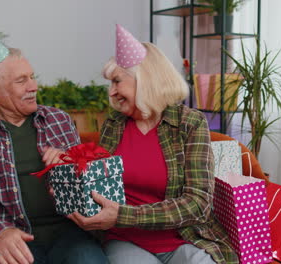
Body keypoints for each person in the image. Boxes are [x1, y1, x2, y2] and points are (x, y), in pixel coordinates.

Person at [67, 24, 238, 264]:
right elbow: (99, 184)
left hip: (184, 238)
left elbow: (198, 203)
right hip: (125, 240)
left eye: (117, 82)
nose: (112, 92)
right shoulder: (114, 125)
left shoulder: (189, 123)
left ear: (144, 80)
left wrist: (125, 215)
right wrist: (70, 185)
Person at [0, 25, 108, 264]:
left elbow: (90, 185)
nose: (33, 87)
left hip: (69, 234)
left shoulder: (59, 120)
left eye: (32, 77)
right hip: (12, 238)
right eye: (21, 81)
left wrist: (71, 164)